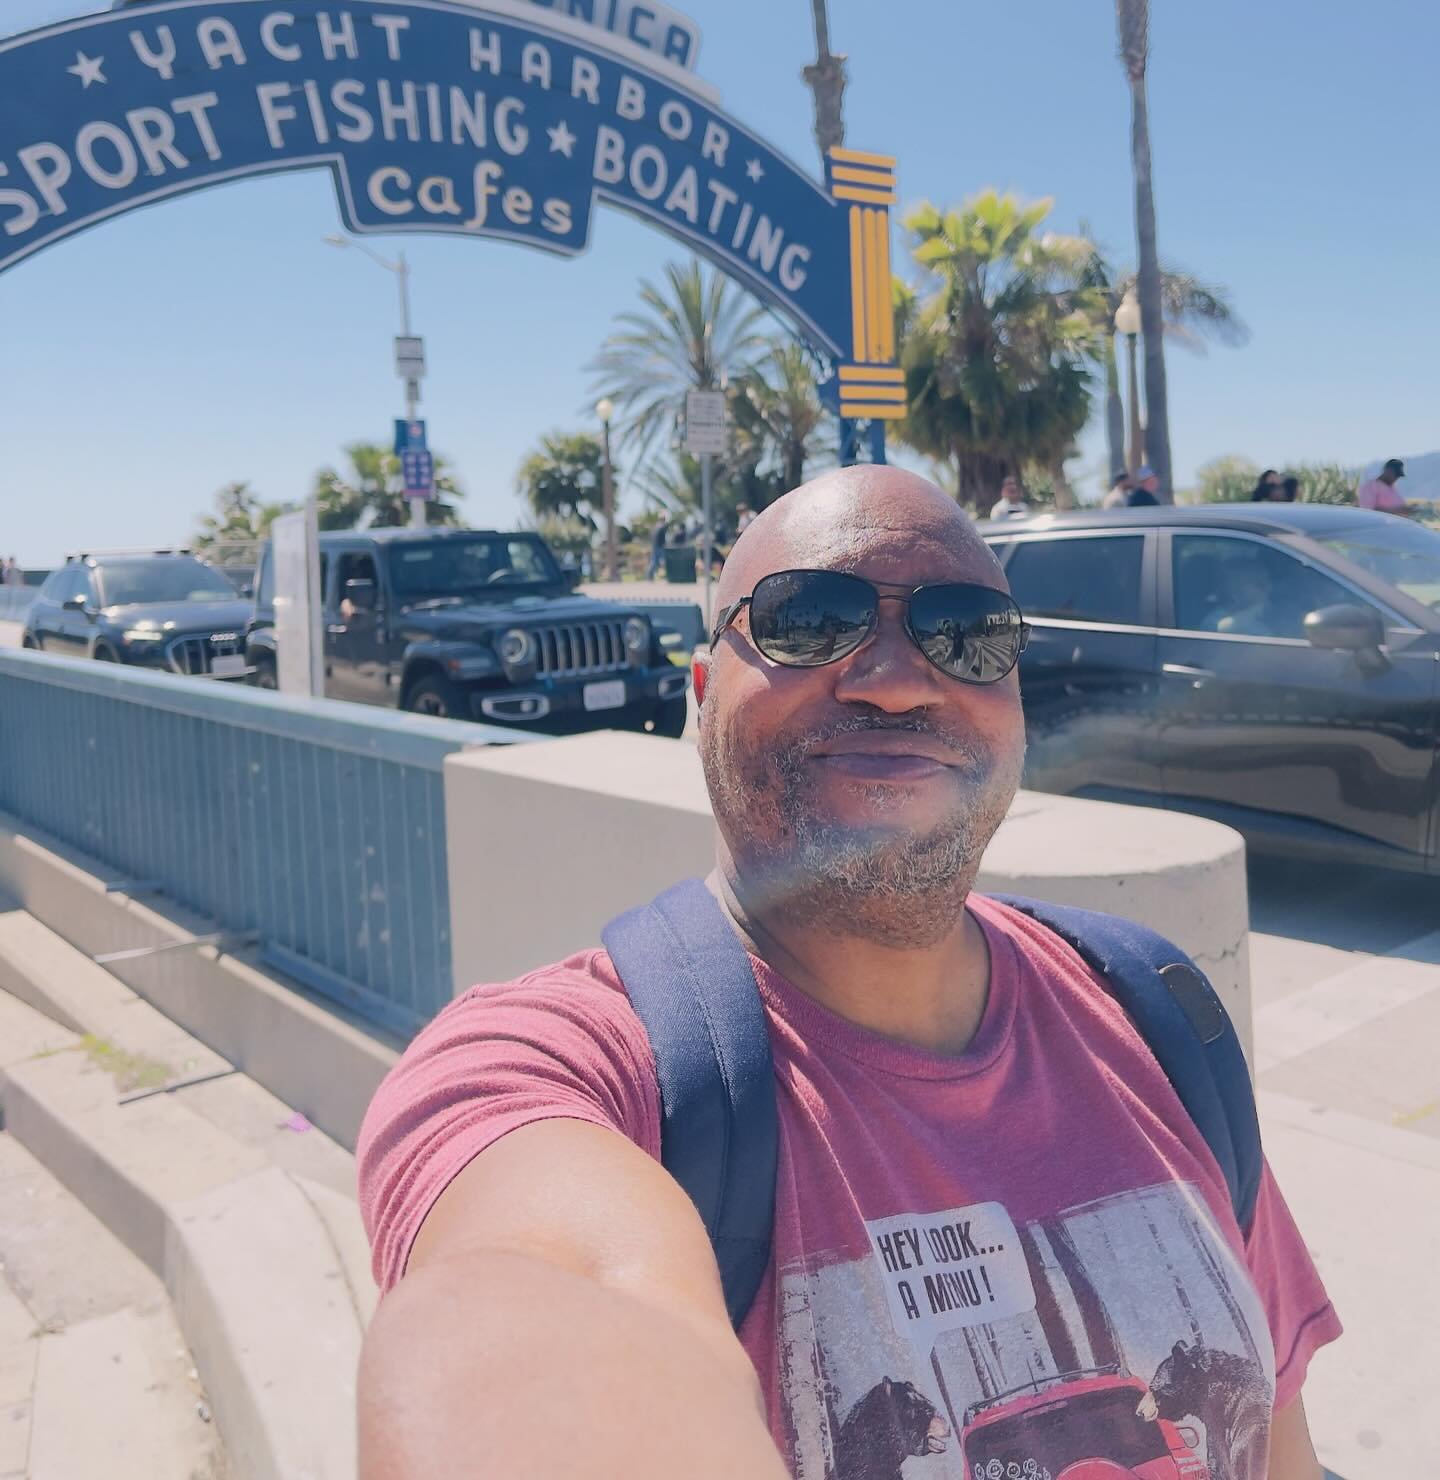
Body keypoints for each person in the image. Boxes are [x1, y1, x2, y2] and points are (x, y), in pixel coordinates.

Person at [356, 466, 1337, 1480]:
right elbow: (527, 1305)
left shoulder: (1155, 1013)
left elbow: (1280, 1446)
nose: (897, 679)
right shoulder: (553, 1071)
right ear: (700, 697)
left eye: (966, 631)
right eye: (811, 618)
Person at [646, 512, 670, 580]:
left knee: (654, 562)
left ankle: (649, 576)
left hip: (655, 546)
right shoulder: (662, 526)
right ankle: (668, 575)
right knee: (663, 561)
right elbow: (666, 528)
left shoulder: (656, 526)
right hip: (660, 546)